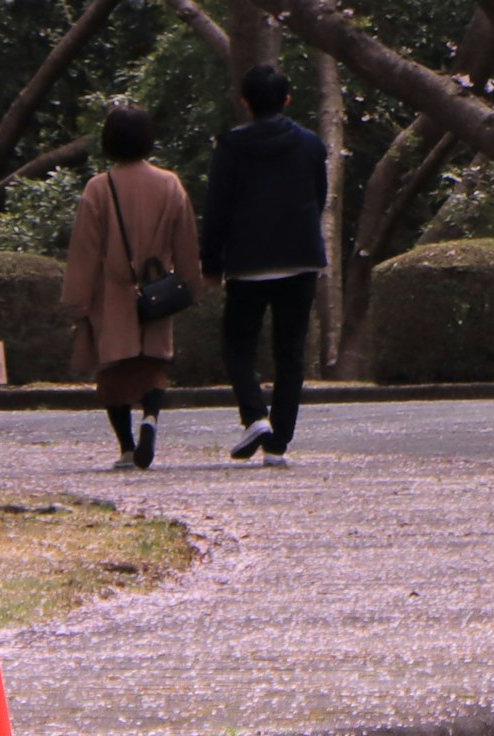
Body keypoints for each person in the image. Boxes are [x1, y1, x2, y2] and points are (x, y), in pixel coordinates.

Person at [200, 63, 330, 462]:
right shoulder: (310, 145)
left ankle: (255, 414)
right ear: (287, 100)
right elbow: (319, 196)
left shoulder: (231, 147)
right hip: (299, 257)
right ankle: (278, 443)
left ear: (245, 103)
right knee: (290, 353)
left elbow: (217, 208)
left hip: (248, 261)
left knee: (238, 344)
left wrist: (211, 261)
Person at [62, 103, 202, 470]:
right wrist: (191, 283)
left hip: (111, 295)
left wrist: (77, 299)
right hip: (156, 291)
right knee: (153, 363)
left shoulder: (99, 188)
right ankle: (151, 420)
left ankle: (126, 447)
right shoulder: (170, 184)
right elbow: (186, 241)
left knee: (113, 370)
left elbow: (85, 251)